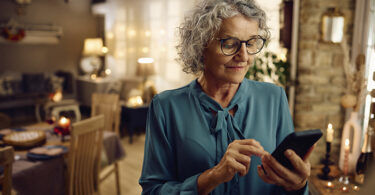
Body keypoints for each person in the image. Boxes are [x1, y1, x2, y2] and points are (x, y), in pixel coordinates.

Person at [139, 0, 313, 194]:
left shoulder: (274, 98)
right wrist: (213, 176)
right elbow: (152, 191)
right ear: (201, 45)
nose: (244, 56)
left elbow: (287, 184)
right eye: (230, 44)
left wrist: (298, 185)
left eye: (251, 43)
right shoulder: (166, 107)